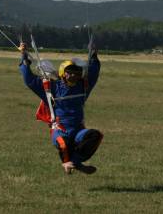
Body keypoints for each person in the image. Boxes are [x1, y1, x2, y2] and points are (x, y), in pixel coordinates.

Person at [18, 42, 103, 175]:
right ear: (63, 73)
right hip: (60, 130)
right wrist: (23, 57)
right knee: (63, 142)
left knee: (96, 136)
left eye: (76, 73)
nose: (73, 76)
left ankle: (74, 162)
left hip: (78, 130)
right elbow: (29, 80)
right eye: (70, 73)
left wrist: (93, 55)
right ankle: (67, 163)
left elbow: (94, 71)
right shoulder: (51, 88)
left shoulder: (83, 86)